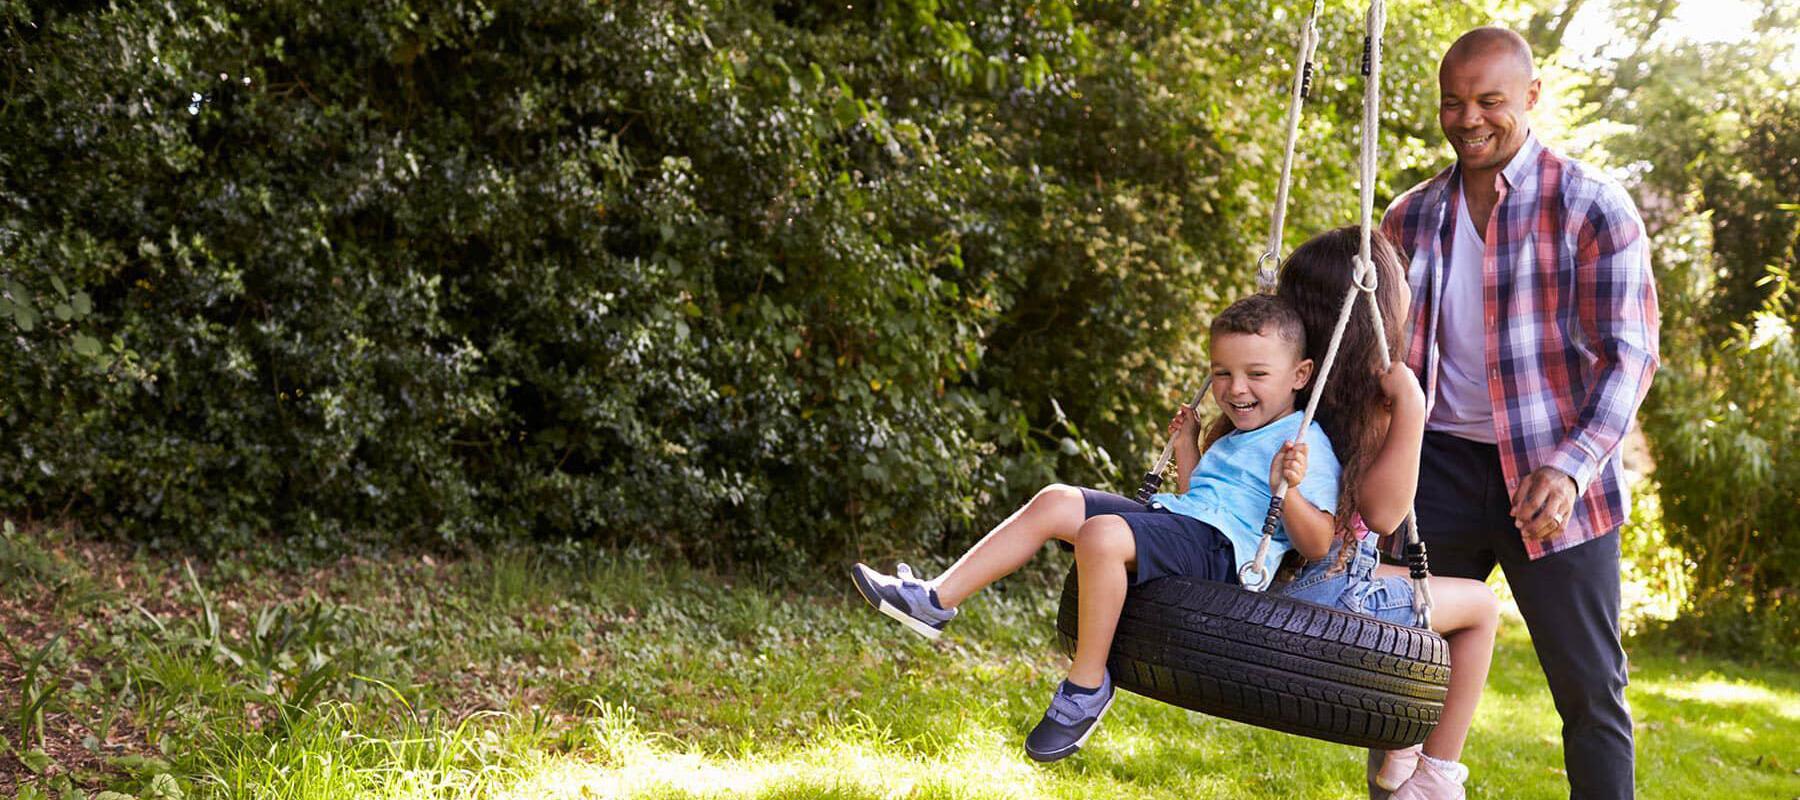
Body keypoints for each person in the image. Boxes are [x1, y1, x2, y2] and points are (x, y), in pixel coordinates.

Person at [850, 292, 1341, 763]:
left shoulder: (1304, 442)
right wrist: (1189, 446)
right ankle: (934, 600)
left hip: (1226, 554)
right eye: (1222, 373)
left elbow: (1317, 543)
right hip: (1185, 523)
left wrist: (1289, 489)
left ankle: (1085, 687)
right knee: (1056, 501)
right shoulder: (1238, 435)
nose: (1236, 389)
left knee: (1101, 534)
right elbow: (1198, 499)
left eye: (1256, 373)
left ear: (1300, 375)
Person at [1379, 27, 1660, 800]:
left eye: (1490, 101)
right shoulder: (1408, 218)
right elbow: (1383, 364)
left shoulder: (1593, 207)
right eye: (1453, 102)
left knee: (1590, 694)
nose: (1469, 118)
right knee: (1395, 675)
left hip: (1550, 473)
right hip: (1436, 470)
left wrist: (1571, 468)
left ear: (1531, 98)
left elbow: (1629, 356)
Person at [1269, 227, 1499, 800]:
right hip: (1328, 595)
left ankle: (1405, 744)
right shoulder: (1368, 403)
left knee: (1415, 592)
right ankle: (1436, 770)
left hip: (1268, 581)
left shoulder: (1275, 388)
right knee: (1478, 606)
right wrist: (1413, 408)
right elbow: (1385, 514)